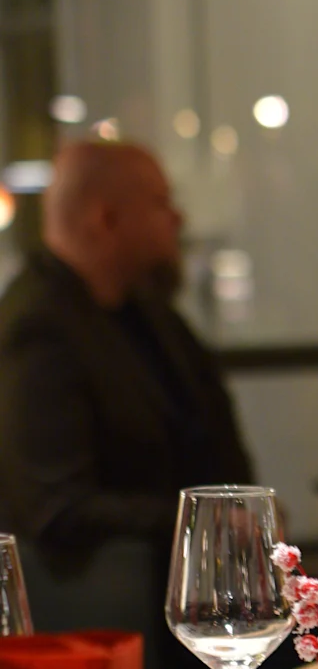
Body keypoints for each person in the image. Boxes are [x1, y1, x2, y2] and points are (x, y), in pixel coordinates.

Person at [0, 141, 252, 580]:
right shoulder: (37, 328)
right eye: (161, 203)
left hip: (205, 576)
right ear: (107, 219)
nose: (178, 219)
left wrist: (247, 512)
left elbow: (214, 432)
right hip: (118, 594)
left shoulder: (148, 311)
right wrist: (207, 519)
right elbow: (56, 508)